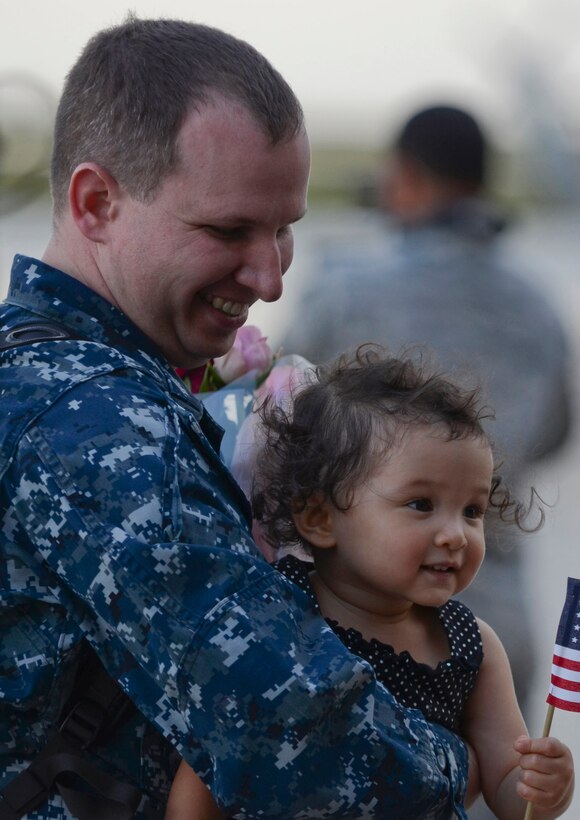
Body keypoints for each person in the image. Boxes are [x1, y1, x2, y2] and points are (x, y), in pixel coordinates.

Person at [0, 18, 476, 820]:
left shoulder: (37, 366)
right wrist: (459, 764)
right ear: (96, 203)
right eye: (227, 230)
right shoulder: (95, 420)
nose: (270, 277)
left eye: (285, 229)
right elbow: (286, 729)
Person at [164, 346, 575, 820]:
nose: (455, 534)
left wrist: (544, 788)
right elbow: (208, 771)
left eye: (472, 511)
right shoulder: (274, 620)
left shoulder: (472, 646)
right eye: (421, 504)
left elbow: (509, 791)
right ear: (320, 518)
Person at [281, 103, 573, 719]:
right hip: (500, 621)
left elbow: (282, 420)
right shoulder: (539, 305)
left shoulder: (347, 287)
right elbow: (554, 432)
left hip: (361, 628)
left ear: (406, 176)